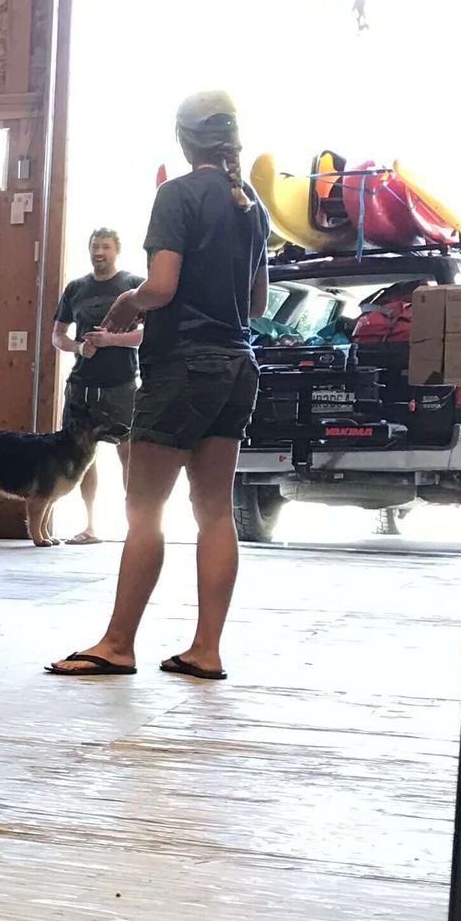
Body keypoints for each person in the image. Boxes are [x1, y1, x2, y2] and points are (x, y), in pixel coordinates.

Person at [48, 90, 270, 682]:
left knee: (143, 510)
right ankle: (206, 649)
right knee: (214, 512)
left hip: (182, 369)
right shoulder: (251, 206)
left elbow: (163, 285)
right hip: (237, 367)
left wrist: (127, 301)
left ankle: (118, 643)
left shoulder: (176, 195)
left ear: (184, 138)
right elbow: (257, 301)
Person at [51, 225, 142, 542]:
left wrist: (110, 340)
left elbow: (150, 334)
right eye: (94, 246)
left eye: (105, 246)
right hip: (82, 384)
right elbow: (58, 335)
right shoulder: (76, 288)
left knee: (128, 453)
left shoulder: (133, 285)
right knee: (82, 456)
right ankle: (90, 525)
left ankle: (135, 526)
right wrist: (79, 347)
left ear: (116, 250)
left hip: (120, 384)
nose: (99, 252)